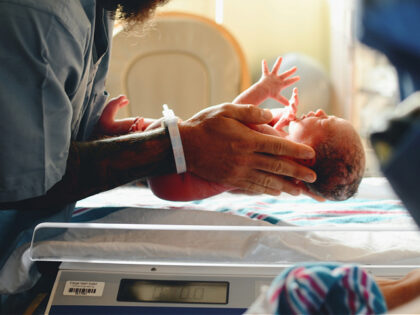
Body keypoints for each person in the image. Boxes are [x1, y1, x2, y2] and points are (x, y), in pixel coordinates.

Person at [0, 0, 318, 311]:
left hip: (35, 246)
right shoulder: (42, 16)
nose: (317, 112)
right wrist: (177, 145)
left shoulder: (96, 10)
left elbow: (49, 138)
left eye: (325, 123)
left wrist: (100, 135)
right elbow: (36, 174)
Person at [102, 57, 365, 201]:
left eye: (324, 121)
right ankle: (112, 130)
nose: (319, 111)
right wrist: (286, 120)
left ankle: (110, 130)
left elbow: (231, 117)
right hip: (176, 186)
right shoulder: (286, 171)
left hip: (178, 176)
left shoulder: (272, 144)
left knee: (160, 128)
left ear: (309, 155)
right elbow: (314, 191)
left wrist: (264, 89)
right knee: (158, 129)